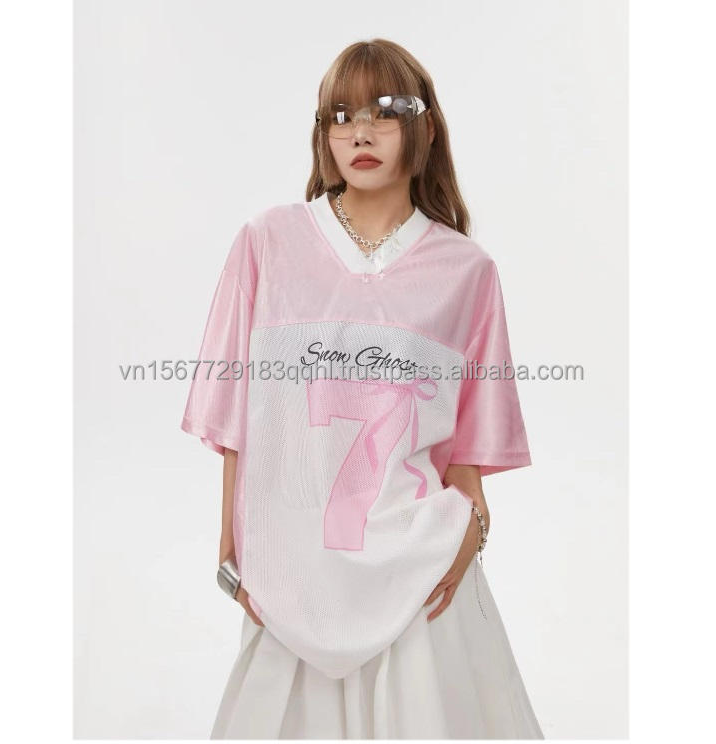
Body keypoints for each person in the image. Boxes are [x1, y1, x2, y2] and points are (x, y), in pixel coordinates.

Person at [180, 38, 544, 739]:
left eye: (385, 112)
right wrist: (233, 548)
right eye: (341, 116)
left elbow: (467, 452)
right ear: (324, 135)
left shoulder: (466, 271)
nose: (362, 133)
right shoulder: (268, 242)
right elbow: (234, 415)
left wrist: (471, 535)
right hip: (293, 569)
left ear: (424, 128)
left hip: (418, 569)